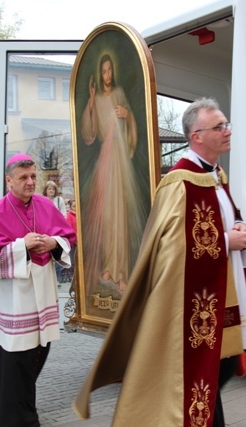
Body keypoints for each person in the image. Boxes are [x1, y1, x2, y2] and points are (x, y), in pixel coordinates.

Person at [74, 98, 246, 426]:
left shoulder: (215, 175)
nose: (227, 132)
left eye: (226, 125)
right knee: (205, 375)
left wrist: (238, 226)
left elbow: (223, 218)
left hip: (219, 293)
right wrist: (227, 241)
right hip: (191, 302)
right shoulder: (179, 181)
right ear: (196, 136)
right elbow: (174, 247)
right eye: (219, 127)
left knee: (221, 367)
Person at [0, 154, 76, 427]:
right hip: (14, 301)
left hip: (42, 295)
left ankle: (26, 412)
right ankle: (11, 420)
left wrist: (52, 243)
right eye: (23, 178)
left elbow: (67, 237)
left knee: (39, 352)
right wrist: (22, 246)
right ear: (9, 181)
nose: (31, 182)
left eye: (33, 177)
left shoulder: (45, 205)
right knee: (14, 361)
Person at [80, 53, 146, 293]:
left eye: (110, 71)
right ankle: (109, 266)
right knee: (108, 214)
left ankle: (122, 272)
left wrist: (127, 116)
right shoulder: (97, 98)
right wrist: (89, 100)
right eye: (104, 71)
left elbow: (131, 124)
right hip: (106, 161)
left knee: (120, 213)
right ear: (100, 73)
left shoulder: (119, 94)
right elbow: (90, 132)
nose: (107, 75)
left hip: (120, 159)